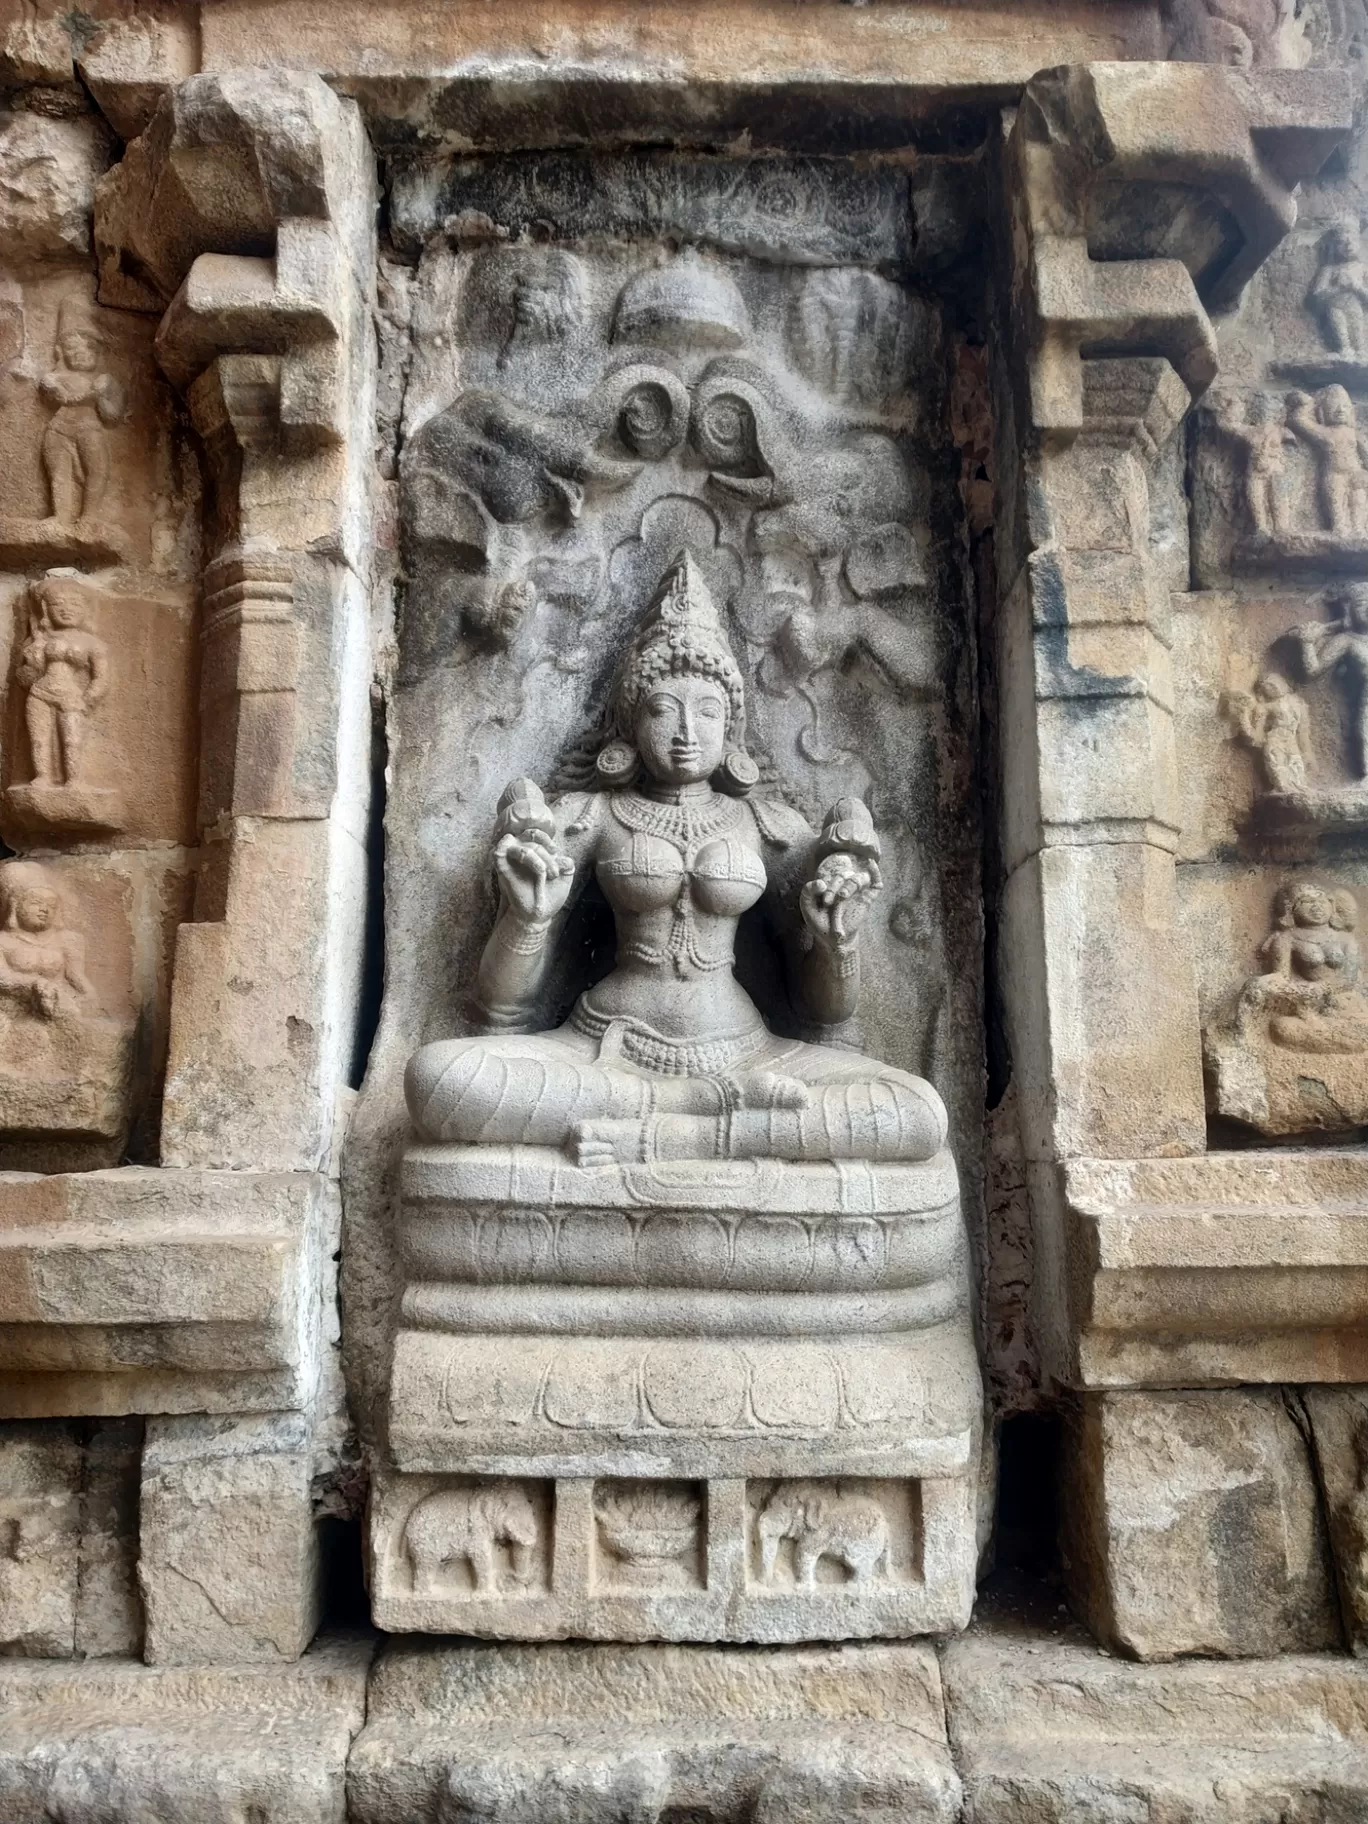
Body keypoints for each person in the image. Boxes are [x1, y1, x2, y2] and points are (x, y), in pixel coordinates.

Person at [405, 551, 947, 1166]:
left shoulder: (767, 825)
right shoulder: (590, 816)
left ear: (732, 726)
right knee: (440, 1078)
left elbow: (825, 1018)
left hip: (746, 1053)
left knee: (916, 1110)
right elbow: (501, 1007)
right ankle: (700, 1105)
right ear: (632, 723)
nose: (687, 731)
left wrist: (837, 945)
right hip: (603, 1050)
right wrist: (526, 921)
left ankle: (685, 1132)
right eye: (664, 710)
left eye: (708, 711)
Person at [38, 297, 125, 530]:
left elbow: (112, 416)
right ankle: (61, 517)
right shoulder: (55, 378)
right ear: (61, 352)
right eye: (71, 349)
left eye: (87, 349)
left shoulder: (105, 381)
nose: (79, 354)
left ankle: (89, 517)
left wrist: (102, 398)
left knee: (99, 471)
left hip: (90, 429)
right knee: (60, 474)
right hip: (58, 430)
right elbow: (54, 392)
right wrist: (87, 394)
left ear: (98, 353)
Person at [14, 573, 109, 788]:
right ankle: (42, 776)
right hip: (40, 693)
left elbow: (101, 679)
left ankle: (75, 780)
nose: (67, 609)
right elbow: (25, 675)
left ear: (85, 609)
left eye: (75, 604)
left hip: (71, 697)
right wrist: (36, 647)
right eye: (58, 604)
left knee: (72, 740)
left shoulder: (92, 643)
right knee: (39, 740)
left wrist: (86, 701)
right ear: (47, 609)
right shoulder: (40, 638)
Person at [0, 860, 93, 1023]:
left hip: (59, 1005)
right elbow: (3, 977)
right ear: (15, 906)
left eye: (51, 905)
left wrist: (90, 998)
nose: (44, 909)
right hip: (14, 1009)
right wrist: (34, 985)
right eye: (36, 903)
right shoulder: (4, 941)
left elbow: (76, 976)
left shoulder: (68, 940)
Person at [1295, 584, 1368, 779]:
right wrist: (1307, 643)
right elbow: (1313, 671)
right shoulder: (1346, 640)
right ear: (1350, 610)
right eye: (1362, 604)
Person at [1286, 386, 1368, 537]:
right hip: (1334, 473)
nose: (1340, 410)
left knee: (1358, 501)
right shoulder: (1324, 433)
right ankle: (1340, 529)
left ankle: (1359, 529)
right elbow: (1297, 420)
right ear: (1322, 412)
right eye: (1333, 406)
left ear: (1351, 411)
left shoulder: (1354, 434)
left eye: (1344, 406)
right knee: (1335, 502)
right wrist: (1309, 403)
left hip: (1355, 473)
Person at [1226, 671, 1311, 792]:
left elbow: (1303, 732)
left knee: (1299, 777)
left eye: (1273, 683)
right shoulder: (1264, 708)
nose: (1273, 687)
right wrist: (1243, 715)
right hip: (1274, 742)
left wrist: (1307, 752)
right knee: (1282, 781)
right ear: (1263, 692)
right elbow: (1256, 738)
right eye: (1267, 686)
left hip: (1292, 742)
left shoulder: (1299, 704)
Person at [1308, 226, 1368, 358]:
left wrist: (1356, 287)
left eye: (1352, 240)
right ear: (1334, 246)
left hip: (1355, 306)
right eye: (1342, 242)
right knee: (1340, 329)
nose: (1348, 245)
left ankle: (1360, 350)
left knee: (1357, 328)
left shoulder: (1362, 268)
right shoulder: (1329, 269)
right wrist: (1338, 288)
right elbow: (1317, 294)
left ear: (1359, 242)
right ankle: (1344, 349)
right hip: (1335, 307)